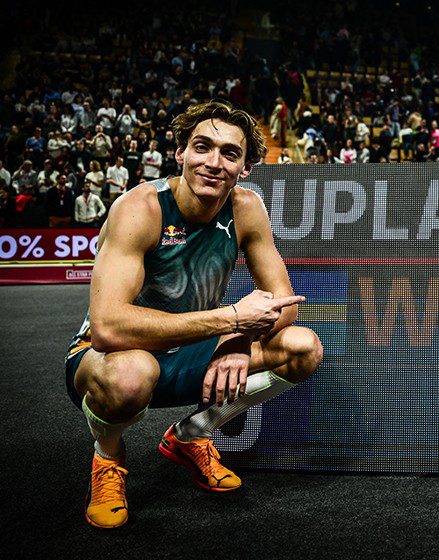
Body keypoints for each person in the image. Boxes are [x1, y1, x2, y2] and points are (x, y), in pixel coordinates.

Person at [64, 100, 323, 529]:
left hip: (192, 349)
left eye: (230, 153)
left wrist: (239, 341)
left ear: (246, 167)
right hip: (107, 358)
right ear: (180, 152)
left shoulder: (246, 208)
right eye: (202, 147)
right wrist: (232, 321)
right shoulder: (140, 208)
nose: (214, 162)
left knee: (302, 348)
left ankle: (190, 435)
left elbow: (285, 302)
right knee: (131, 375)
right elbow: (108, 328)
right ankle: (107, 457)